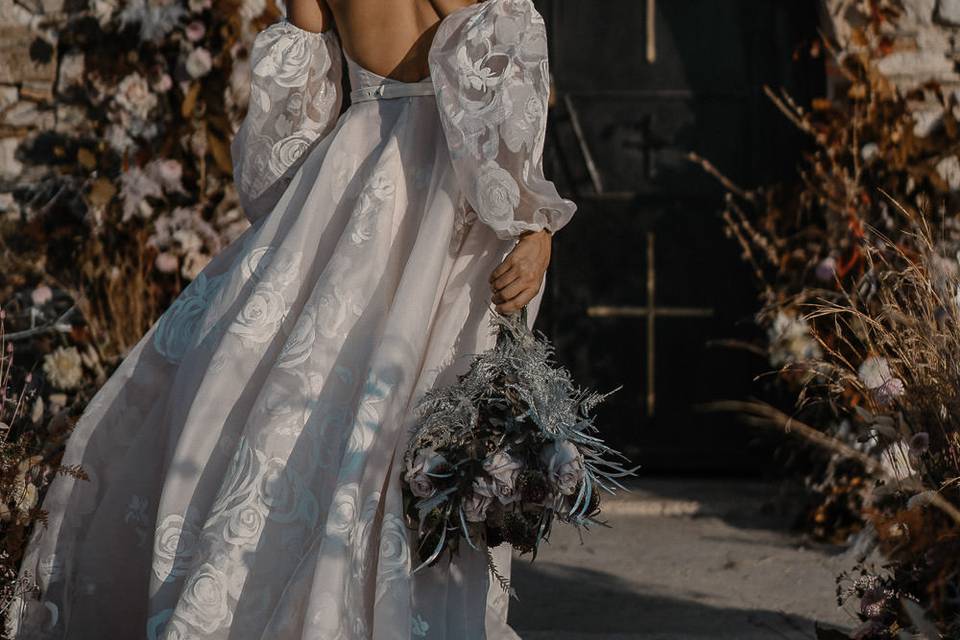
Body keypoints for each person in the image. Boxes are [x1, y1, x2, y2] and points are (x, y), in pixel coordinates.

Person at [9, 0, 575, 637]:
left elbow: (291, 117)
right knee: (432, 430)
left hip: (347, 178)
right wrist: (531, 218)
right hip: (448, 197)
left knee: (312, 415)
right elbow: (498, 75)